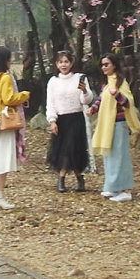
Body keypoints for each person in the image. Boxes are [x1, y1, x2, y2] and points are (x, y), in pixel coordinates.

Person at [88, 52, 140, 203]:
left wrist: (117, 95)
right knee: (109, 155)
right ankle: (112, 186)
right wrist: (92, 109)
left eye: (106, 64)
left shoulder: (120, 83)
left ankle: (123, 189)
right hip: (107, 124)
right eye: (102, 65)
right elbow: (101, 99)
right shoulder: (106, 84)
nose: (103, 67)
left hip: (118, 124)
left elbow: (128, 103)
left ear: (114, 65)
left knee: (119, 156)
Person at [0, 46, 30, 210]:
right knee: (2, 159)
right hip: (4, 123)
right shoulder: (5, 78)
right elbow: (9, 99)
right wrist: (24, 95)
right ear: (5, 60)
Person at [46, 51, 94, 192]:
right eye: (61, 62)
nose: (64, 65)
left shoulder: (80, 78)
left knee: (73, 148)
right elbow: (50, 103)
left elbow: (86, 100)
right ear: (56, 64)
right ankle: (65, 179)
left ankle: (73, 178)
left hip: (76, 117)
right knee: (63, 149)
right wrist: (52, 120)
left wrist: (85, 91)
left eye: (66, 61)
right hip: (61, 119)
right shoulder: (53, 82)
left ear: (71, 63)